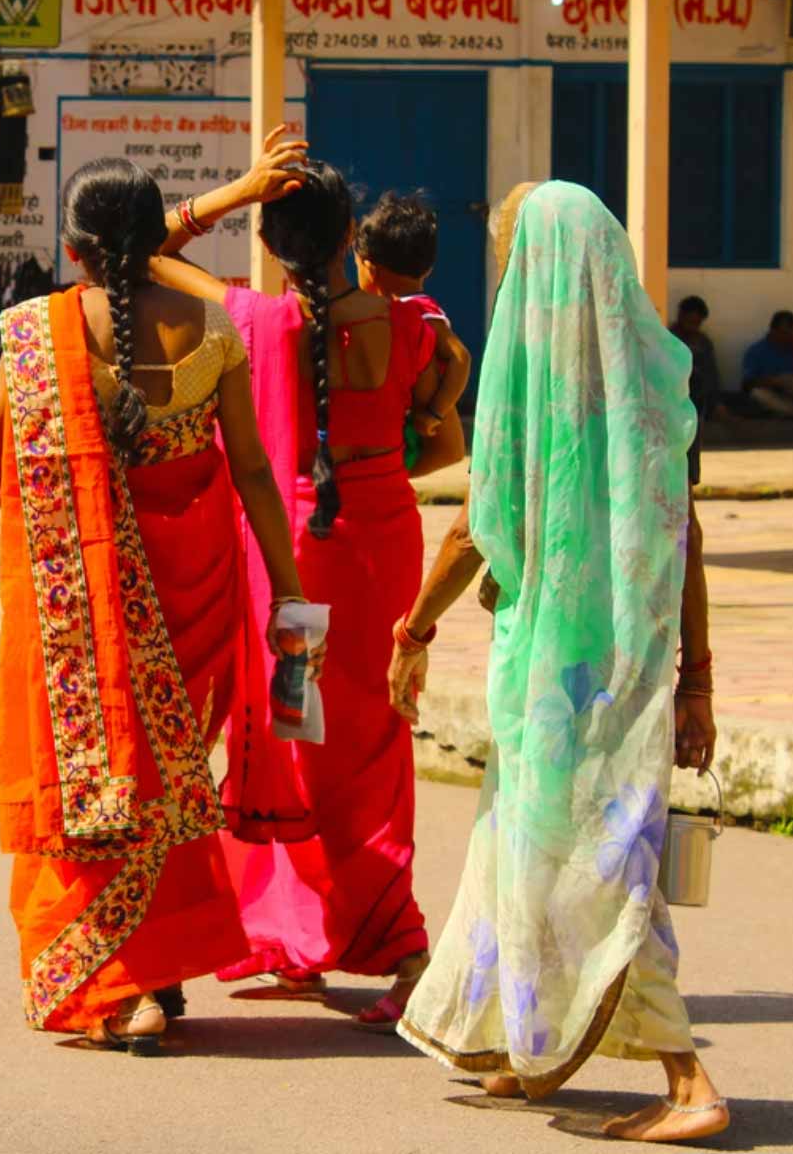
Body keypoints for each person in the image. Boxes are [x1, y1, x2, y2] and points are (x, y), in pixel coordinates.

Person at [388, 181, 729, 1144]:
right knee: (533, 846)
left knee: (594, 867)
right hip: (623, 677)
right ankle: (514, 1039)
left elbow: (473, 531)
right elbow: (684, 534)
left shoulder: (529, 393)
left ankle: (687, 1080)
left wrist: (413, 631)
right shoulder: (655, 387)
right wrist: (695, 679)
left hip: (553, 681)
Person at [0, 155, 316, 1054]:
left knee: (101, 778)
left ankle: (126, 989)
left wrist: (69, 523)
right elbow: (253, 475)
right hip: (195, 586)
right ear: (152, 242)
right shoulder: (212, 332)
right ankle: (159, 965)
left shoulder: (37, 334)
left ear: (77, 252)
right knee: (167, 784)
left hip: (83, 601)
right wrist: (291, 588)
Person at [152, 149, 460, 1032]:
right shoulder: (413, 327)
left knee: (299, 735)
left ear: (275, 249)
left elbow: (142, 251)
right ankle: (377, 938)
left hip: (294, 563)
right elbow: (443, 432)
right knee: (371, 742)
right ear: (352, 239)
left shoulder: (255, 321)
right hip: (385, 542)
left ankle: (338, 932)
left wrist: (235, 192)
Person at [353, 192, 474, 455]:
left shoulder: (418, 311)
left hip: (414, 428)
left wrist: (434, 412)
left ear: (370, 268)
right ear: (428, 268)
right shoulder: (404, 308)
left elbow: (460, 358)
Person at [671, 294, 719, 486]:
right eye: (690, 320)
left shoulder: (703, 343)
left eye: (697, 322)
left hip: (696, 403)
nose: (693, 325)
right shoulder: (669, 339)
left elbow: (712, 375)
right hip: (673, 403)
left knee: (691, 458)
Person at [741, 310, 793, 418]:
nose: (787, 337)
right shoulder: (756, 351)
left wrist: (789, 381)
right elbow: (747, 384)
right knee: (757, 394)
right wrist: (774, 381)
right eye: (783, 333)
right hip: (771, 393)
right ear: (772, 330)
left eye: (790, 333)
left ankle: (788, 412)